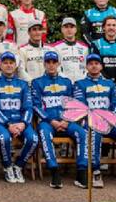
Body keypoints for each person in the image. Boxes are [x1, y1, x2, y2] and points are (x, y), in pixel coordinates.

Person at [74, 53, 116, 188]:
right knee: (94, 133)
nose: (94, 66)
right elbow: (82, 106)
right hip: (92, 122)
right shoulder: (79, 84)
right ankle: (96, 171)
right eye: (90, 64)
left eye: (96, 63)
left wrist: (109, 118)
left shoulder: (109, 83)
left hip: (110, 121)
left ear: (101, 66)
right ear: (86, 66)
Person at [32, 51, 86, 189]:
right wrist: (52, 121)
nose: (51, 65)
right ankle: (54, 171)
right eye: (48, 62)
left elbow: (74, 105)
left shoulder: (67, 82)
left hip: (66, 121)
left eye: (54, 62)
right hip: (48, 122)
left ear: (58, 64)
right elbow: (36, 106)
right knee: (43, 133)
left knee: (82, 133)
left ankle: (81, 172)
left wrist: (67, 121)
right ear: (44, 64)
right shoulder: (37, 82)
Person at [0, 51, 36, 183]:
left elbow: (28, 107)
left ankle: (19, 166)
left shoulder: (23, 84)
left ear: (15, 65)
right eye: (5, 63)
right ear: (0, 65)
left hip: (20, 122)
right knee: (3, 139)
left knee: (34, 138)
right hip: (2, 123)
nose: (8, 65)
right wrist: (9, 124)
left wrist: (23, 124)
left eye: (11, 63)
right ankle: (7, 166)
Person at [90, 16, 116, 80]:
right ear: (104, 28)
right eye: (108, 25)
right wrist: (107, 80)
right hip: (103, 81)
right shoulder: (96, 44)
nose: (111, 27)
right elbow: (95, 66)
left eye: (114, 25)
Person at [51, 18, 88, 83]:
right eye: (66, 27)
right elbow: (55, 68)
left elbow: (87, 67)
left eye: (71, 27)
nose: (69, 30)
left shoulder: (84, 47)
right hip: (63, 84)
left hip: (81, 84)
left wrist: (83, 80)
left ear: (76, 29)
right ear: (62, 29)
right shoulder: (55, 47)